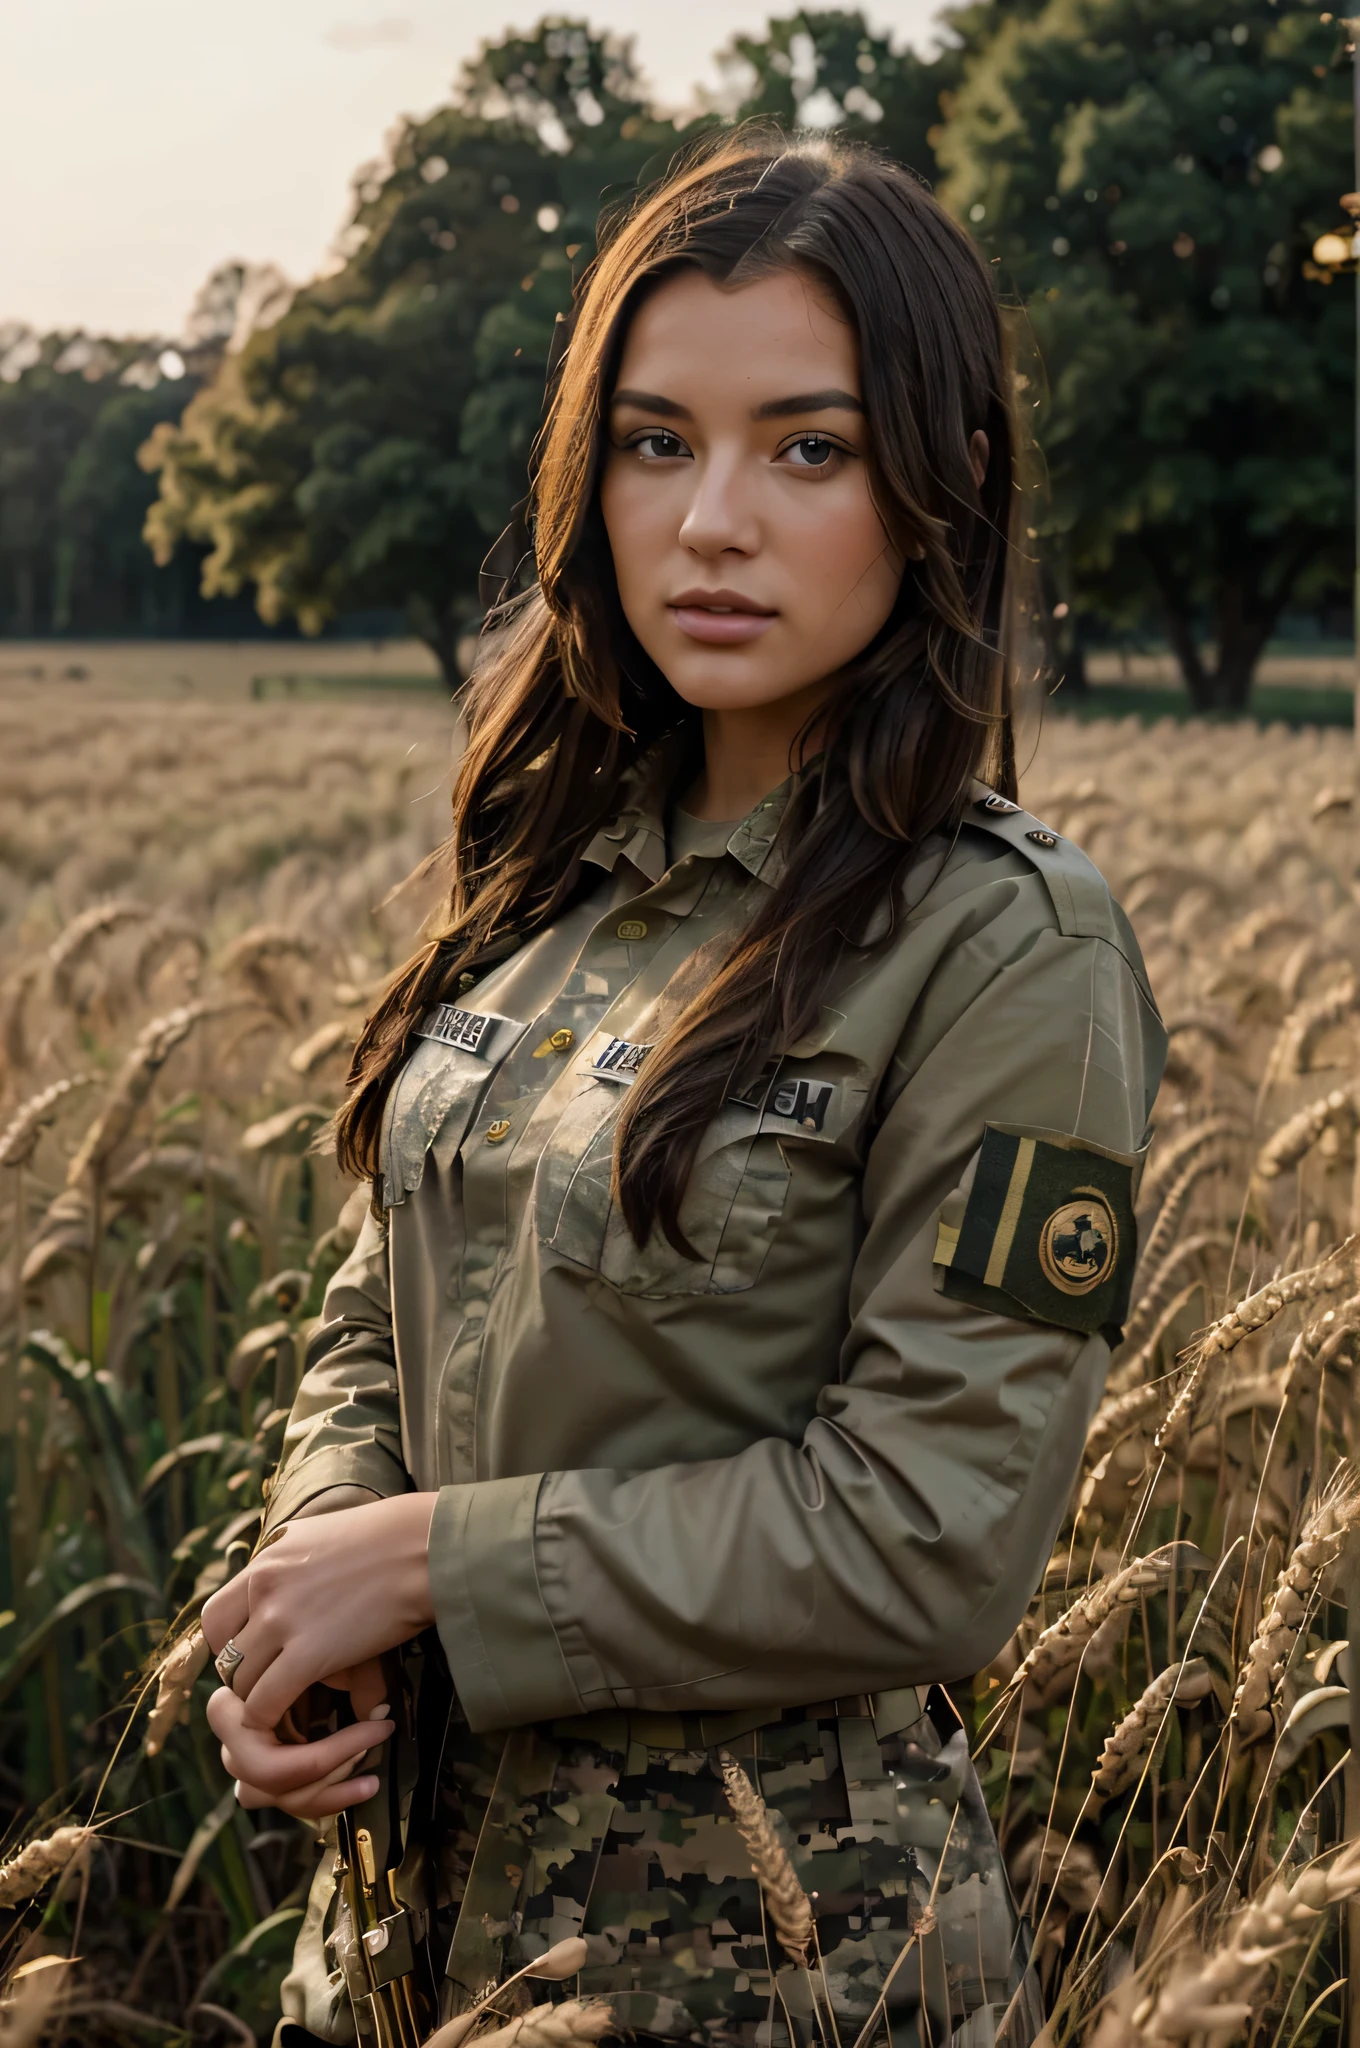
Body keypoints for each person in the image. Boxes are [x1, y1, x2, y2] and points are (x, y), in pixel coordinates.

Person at [201, 126, 1165, 2048]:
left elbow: (933, 1532)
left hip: (770, 1960)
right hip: (408, 1933)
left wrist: (430, 1564)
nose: (713, 518)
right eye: (657, 441)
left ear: (937, 486)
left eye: (806, 448)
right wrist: (315, 1583)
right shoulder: (551, 875)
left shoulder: (1002, 944)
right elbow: (381, 1298)